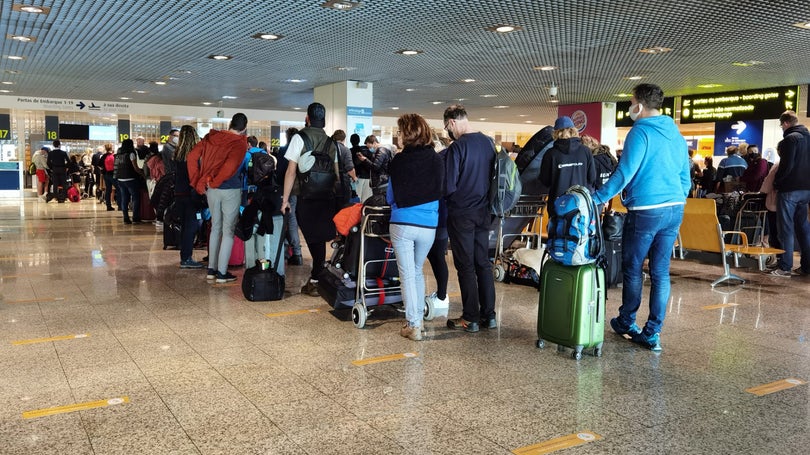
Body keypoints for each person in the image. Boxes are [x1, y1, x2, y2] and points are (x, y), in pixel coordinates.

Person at [591, 83, 691, 352]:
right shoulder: (675, 134)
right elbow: (685, 174)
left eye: (632, 101)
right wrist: (678, 196)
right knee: (660, 272)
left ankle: (626, 321)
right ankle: (652, 333)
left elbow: (624, 173)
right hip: (674, 209)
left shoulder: (640, 132)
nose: (630, 107)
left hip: (647, 210)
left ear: (640, 105)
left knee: (633, 267)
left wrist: (597, 198)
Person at [387, 113, 444, 341]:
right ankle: (418, 318)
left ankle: (413, 324)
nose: (398, 136)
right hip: (429, 225)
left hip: (403, 223)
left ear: (408, 134)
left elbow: (391, 196)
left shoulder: (398, 161)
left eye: (400, 132)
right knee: (417, 270)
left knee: (407, 274)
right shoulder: (437, 159)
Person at [442, 104, 496, 333]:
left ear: (452, 122)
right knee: (483, 263)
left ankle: (470, 318)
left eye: (447, 127)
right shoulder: (488, 142)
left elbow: (449, 185)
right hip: (484, 212)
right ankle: (489, 316)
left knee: (465, 266)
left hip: (461, 213)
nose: (448, 132)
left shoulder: (457, 148)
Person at [280, 102, 340, 297]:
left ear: (307, 118)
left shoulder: (300, 137)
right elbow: (337, 173)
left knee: (313, 236)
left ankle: (317, 277)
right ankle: (317, 276)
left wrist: (285, 199)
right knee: (319, 236)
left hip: (305, 195)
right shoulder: (331, 142)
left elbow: (290, 171)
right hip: (326, 196)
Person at [188, 113, 249, 283]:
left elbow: (192, 156)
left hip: (210, 189)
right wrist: (217, 181)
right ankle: (222, 273)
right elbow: (230, 167)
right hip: (230, 189)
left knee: (215, 227)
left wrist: (196, 179)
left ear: (230, 124)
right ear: (244, 128)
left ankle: (211, 269)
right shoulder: (240, 143)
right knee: (228, 231)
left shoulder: (211, 137)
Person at [770, 110, 810, 277]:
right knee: (803, 228)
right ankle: (807, 266)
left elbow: (786, 166)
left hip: (790, 190)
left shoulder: (789, 139)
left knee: (786, 228)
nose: (782, 128)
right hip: (806, 190)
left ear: (786, 123)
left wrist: (777, 182)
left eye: (781, 125)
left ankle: (785, 266)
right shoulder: (808, 137)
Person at [539, 116, 597, 217]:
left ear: (556, 132)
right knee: (578, 230)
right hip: (580, 203)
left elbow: (545, 181)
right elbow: (592, 177)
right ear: (574, 131)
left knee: (557, 230)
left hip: (557, 204)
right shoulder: (585, 151)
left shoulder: (550, 154)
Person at [172, 125, 204, 269]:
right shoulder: (194, 155)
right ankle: (187, 258)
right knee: (192, 226)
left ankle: (185, 256)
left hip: (179, 194)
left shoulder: (177, 154)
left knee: (185, 225)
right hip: (191, 194)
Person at [279, 127, 303, 266]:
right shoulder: (302, 149)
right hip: (299, 189)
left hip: (286, 188)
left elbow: (284, 171)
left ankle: (290, 251)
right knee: (292, 219)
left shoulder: (284, 150)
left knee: (286, 218)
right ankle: (296, 252)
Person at [114, 139, 145, 224]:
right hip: (131, 179)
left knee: (124, 199)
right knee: (135, 198)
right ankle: (135, 217)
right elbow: (136, 168)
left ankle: (126, 218)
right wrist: (143, 174)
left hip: (120, 179)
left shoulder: (118, 155)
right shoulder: (131, 154)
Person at [331, 129, 358, 209]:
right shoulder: (345, 150)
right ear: (344, 139)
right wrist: (354, 177)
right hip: (342, 182)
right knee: (343, 207)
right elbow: (349, 168)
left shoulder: (329, 148)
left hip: (328, 182)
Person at [350, 133, 374, 202]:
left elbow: (354, 164)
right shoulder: (371, 152)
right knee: (366, 199)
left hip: (358, 177)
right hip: (368, 177)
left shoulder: (354, 150)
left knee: (357, 198)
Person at [101, 143, 116, 210]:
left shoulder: (104, 156)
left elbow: (99, 165)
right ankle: (121, 206)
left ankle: (108, 206)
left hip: (106, 174)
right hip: (113, 174)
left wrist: (103, 169)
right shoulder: (113, 155)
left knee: (108, 190)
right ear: (111, 148)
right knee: (118, 188)